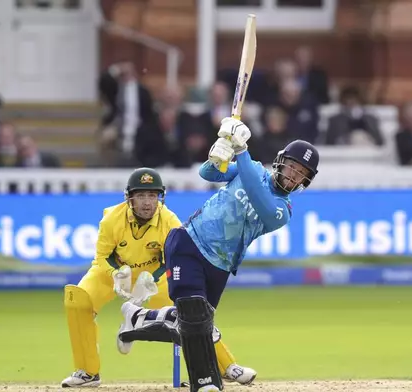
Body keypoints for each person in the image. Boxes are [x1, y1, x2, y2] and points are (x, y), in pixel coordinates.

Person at [117, 118, 319, 392]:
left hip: (220, 266)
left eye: (302, 173)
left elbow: (260, 200)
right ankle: (206, 384)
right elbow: (207, 174)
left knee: (189, 325)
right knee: (195, 317)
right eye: (293, 167)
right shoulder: (253, 169)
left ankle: (137, 318)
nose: (294, 175)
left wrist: (241, 150)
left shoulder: (283, 210)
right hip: (190, 242)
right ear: (281, 161)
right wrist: (220, 153)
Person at [61, 167, 256, 388]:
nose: (147, 202)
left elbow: (174, 258)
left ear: (159, 197)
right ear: (130, 198)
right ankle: (87, 372)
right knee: (76, 300)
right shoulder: (111, 219)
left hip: (155, 278)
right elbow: (102, 257)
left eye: (152, 196)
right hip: (112, 275)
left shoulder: (169, 221)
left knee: (192, 310)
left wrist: (150, 280)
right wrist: (116, 274)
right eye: (141, 196)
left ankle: (224, 367)